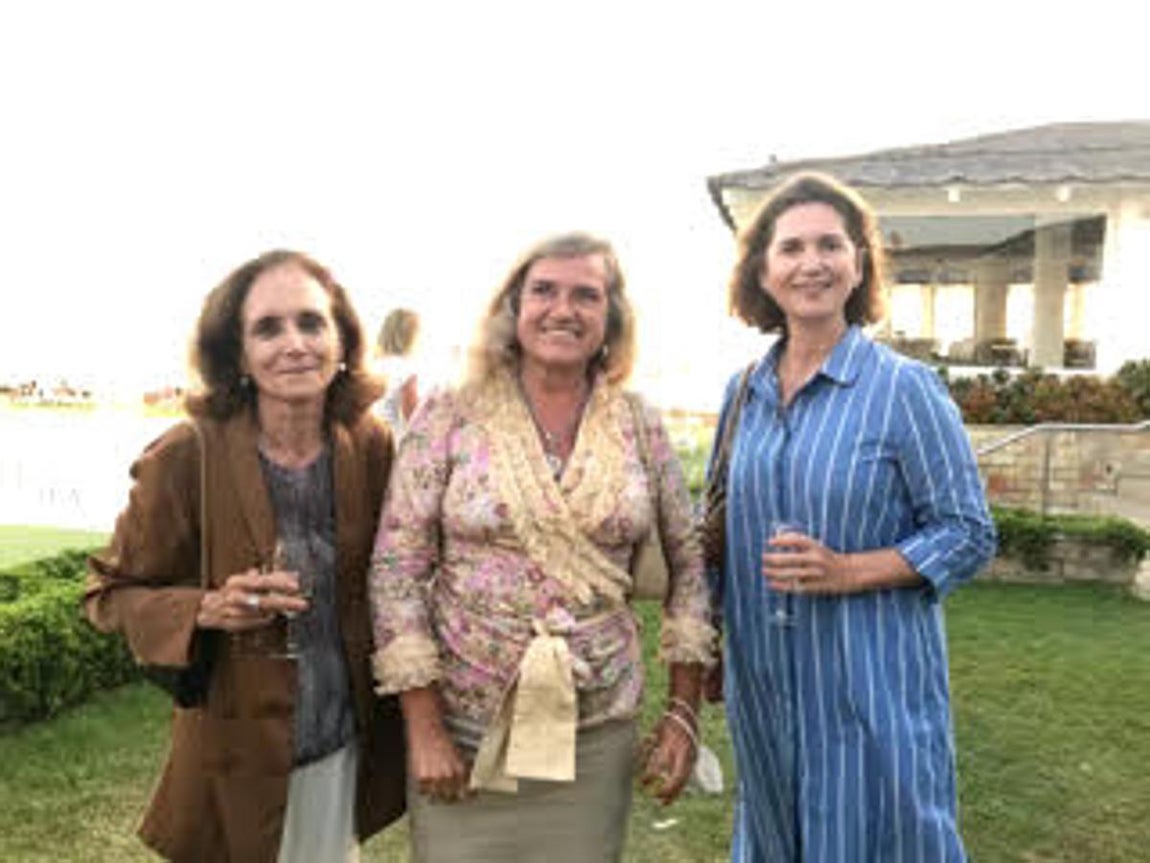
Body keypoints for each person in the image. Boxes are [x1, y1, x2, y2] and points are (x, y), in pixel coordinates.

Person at [368, 232, 716, 862]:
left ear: (611, 315)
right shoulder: (453, 409)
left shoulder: (637, 419)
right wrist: (422, 726)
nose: (564, 309)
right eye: (544, 291)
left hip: (594, 730)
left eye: (587, 294)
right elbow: (396, 564)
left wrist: (683, 712)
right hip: (464, 733)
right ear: (513, 307)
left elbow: (689, 565)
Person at [84, 249, 406, 862]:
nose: (295, 344)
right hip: (235, 756)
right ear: (235, 352)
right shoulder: (186, 455)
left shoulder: (367, 443)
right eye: (268, 327)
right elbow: (107, 593)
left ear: (341, 339)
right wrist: (205, 607)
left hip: (340, 746)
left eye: (311, 322)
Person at [711, 172, 996, 862]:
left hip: (870, 690)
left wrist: (850, 569)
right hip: (766, 694)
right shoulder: (741, 391)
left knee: (884, 837)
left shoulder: (904, 389)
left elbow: (969, 532)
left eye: (831, 245)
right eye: (792, 247)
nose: (812, 263)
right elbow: (718, 526)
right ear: (763, 270)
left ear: (859, 263)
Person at [374, 307, 421, 438]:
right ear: (409, 337)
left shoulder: (371, 364)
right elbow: (413, 417)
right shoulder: (407, 370)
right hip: (391, 442)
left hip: (368, 440)